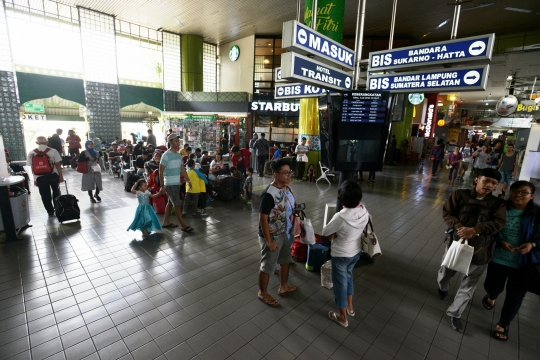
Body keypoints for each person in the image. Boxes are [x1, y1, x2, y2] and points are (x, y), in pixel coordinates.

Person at [437, 168, 506, 332]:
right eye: (486, 181)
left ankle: (455, 313)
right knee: (446, 272)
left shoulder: (498, 204)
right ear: (476, 179)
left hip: (481, 249)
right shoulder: (459, 195)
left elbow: (498, 223)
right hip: (456, 243)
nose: (489, 185)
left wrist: (476, 230)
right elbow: (447, 212)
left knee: (469, 284)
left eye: (494, 183)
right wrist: (459, 226)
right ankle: (443, 287)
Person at [482, 181, 540, 341]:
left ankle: (503, 324)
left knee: (515, 296)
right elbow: (489, 228)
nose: (518, 195)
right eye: (515, 191)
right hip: (499, 258)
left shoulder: (537, 214)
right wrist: (500, 241)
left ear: (532, 196)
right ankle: (491, 295)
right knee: (492, 286)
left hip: (524, 264)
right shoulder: (500, 208)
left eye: (524, 192)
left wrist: (532, 244)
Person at [322, 181, 369, 327]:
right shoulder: (364, 210)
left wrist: (335, 234)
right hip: (355, 253)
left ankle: (342, 317)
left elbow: (325, 232)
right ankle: (350, 308)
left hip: (341, 255)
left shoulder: (341, 216)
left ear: (342, 198)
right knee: (348, 278)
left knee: (340, 285)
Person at [257, 159, 297, 307]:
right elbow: (262, 218)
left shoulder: (283, 189)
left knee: (286, 260)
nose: (289, 176)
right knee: (267, 266)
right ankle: (262, 292)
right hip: (271, 236)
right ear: (275, 174)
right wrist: (269, 241)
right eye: (285, 173)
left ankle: (284, 286)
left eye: (289, 172)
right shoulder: (269, 193)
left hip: (282, 233)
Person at [159, 133, 193, 232]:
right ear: (170, 142)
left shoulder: (179, 155)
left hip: (177, 183)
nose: (178, 143)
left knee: (170, 202)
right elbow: (161, 171)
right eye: (176, 141)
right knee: (177, 204)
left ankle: (165, 222)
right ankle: (183, 225)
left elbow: (182, 169)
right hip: (169, 184)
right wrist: (162, 185)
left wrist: (188, 180)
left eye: (178, 141)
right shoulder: (166, 155)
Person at [27, 136, 63, 216]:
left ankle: (50, 211)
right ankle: (57, 207)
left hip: (40, 177)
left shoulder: (31, 153)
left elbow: (32, 167)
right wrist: (61, 176)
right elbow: (58, 164)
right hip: (53, 175)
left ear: (37, 143)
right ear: (47, 142)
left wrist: (35, 179)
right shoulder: (53, 151)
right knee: (56, 192)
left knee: (45, 194)